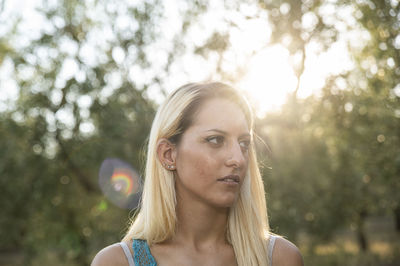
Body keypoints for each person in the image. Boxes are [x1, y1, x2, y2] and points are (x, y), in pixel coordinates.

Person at [91, 82, 303, 266]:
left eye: (244, 143)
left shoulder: (278, 258)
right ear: (168, 154)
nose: (237, 159)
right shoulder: (116, 262)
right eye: (215, 140)